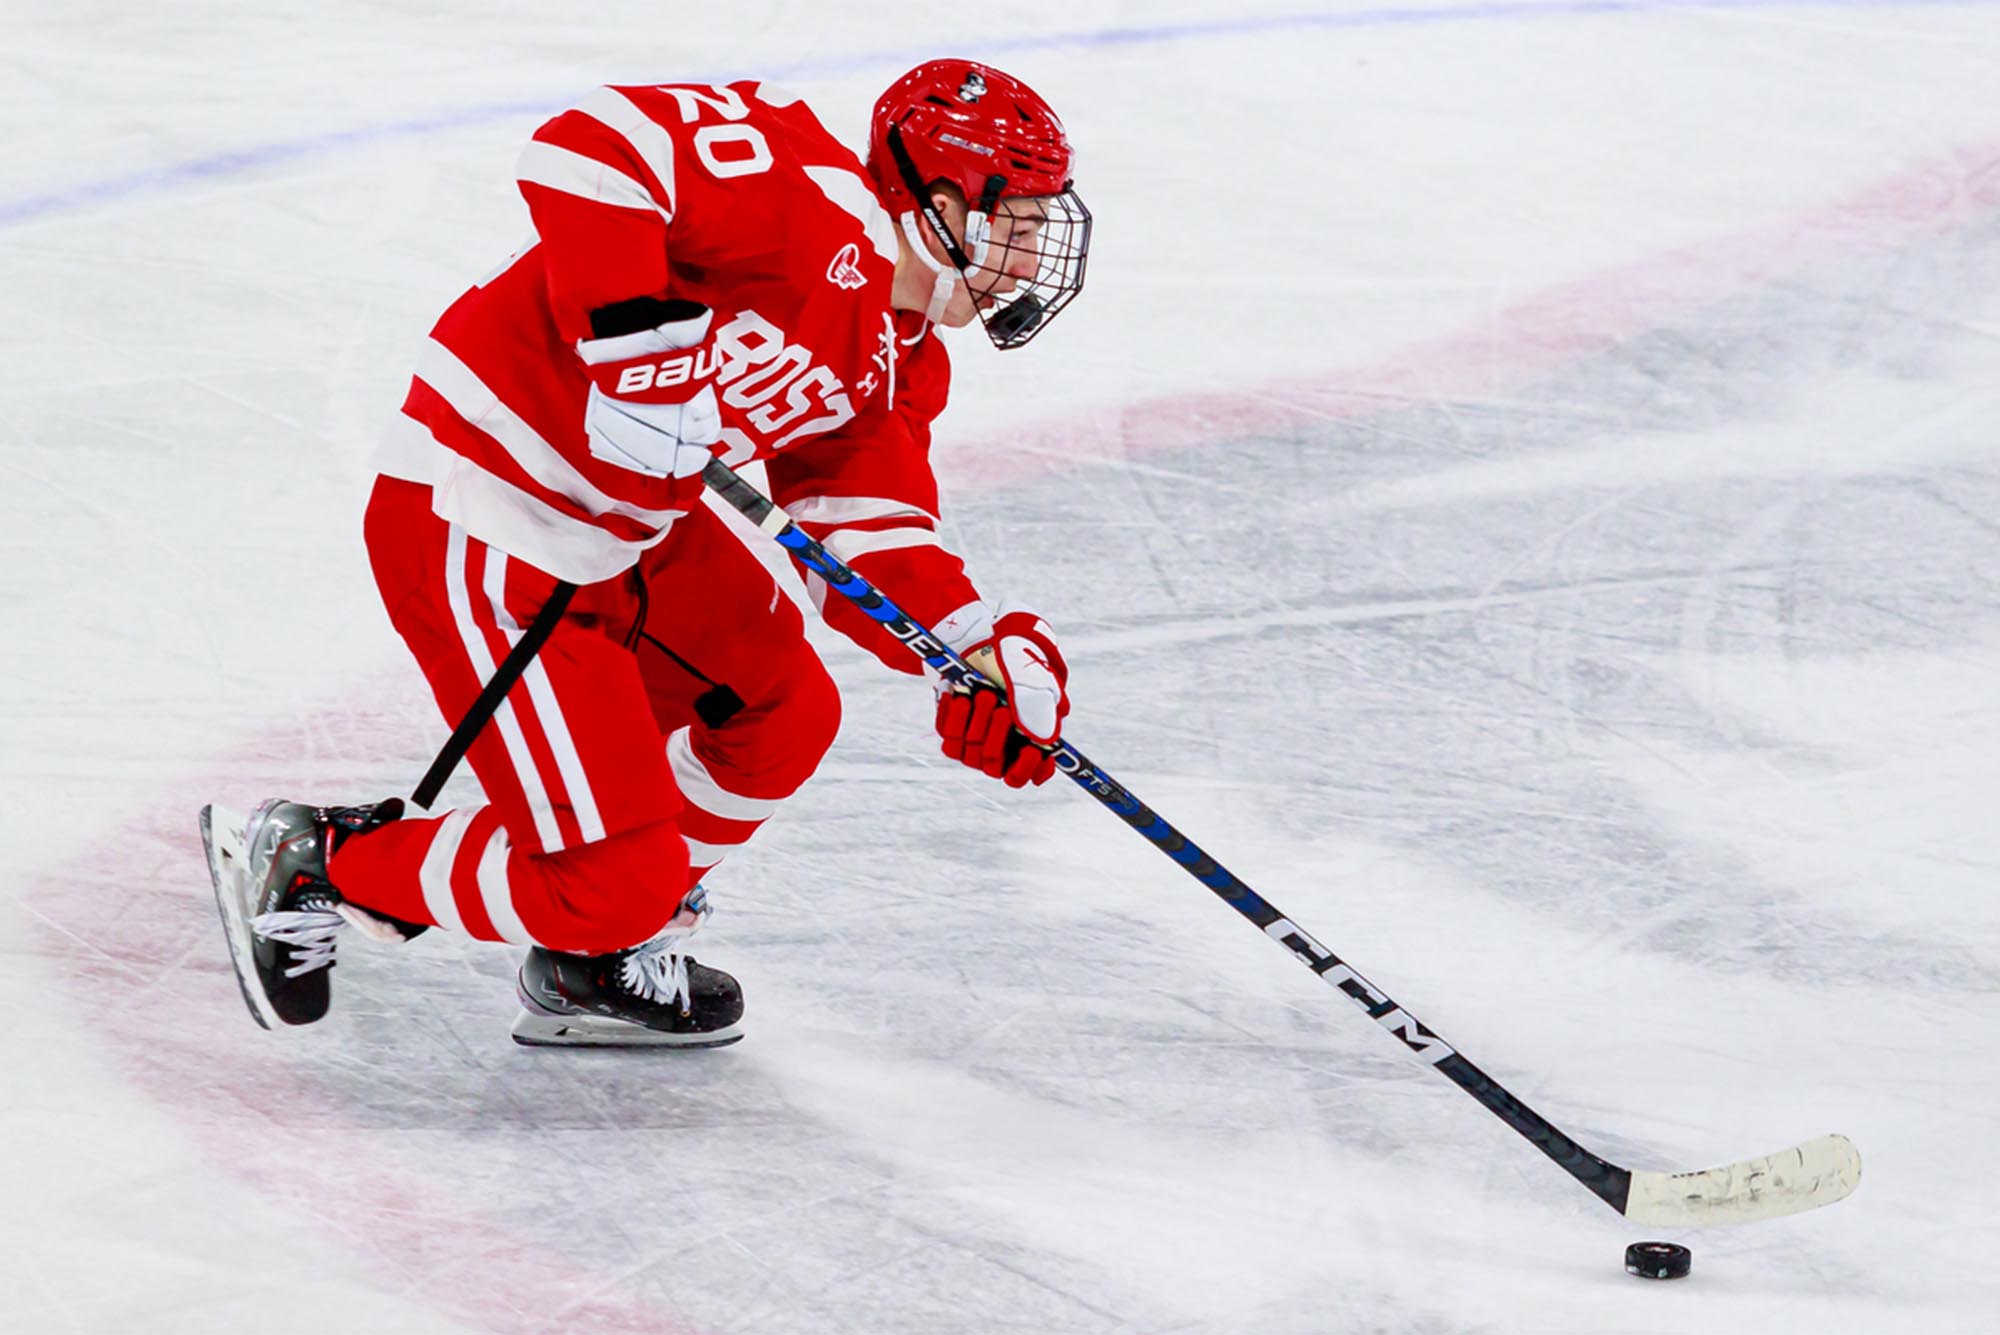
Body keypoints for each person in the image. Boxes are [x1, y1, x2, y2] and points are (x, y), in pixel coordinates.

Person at [198, 59, 1093, 1047]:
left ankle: (595, 954)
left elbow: (861, 515)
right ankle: (322, 858)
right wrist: (637, 353)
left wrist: (972, 646)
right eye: (1017, 220)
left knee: (783, 715)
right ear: (937, 204)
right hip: (483, 510)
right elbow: (593, 147)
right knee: (609, 883)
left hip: (629, 538)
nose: (1026, 255)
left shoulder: (900, 356)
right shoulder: (803, 199)